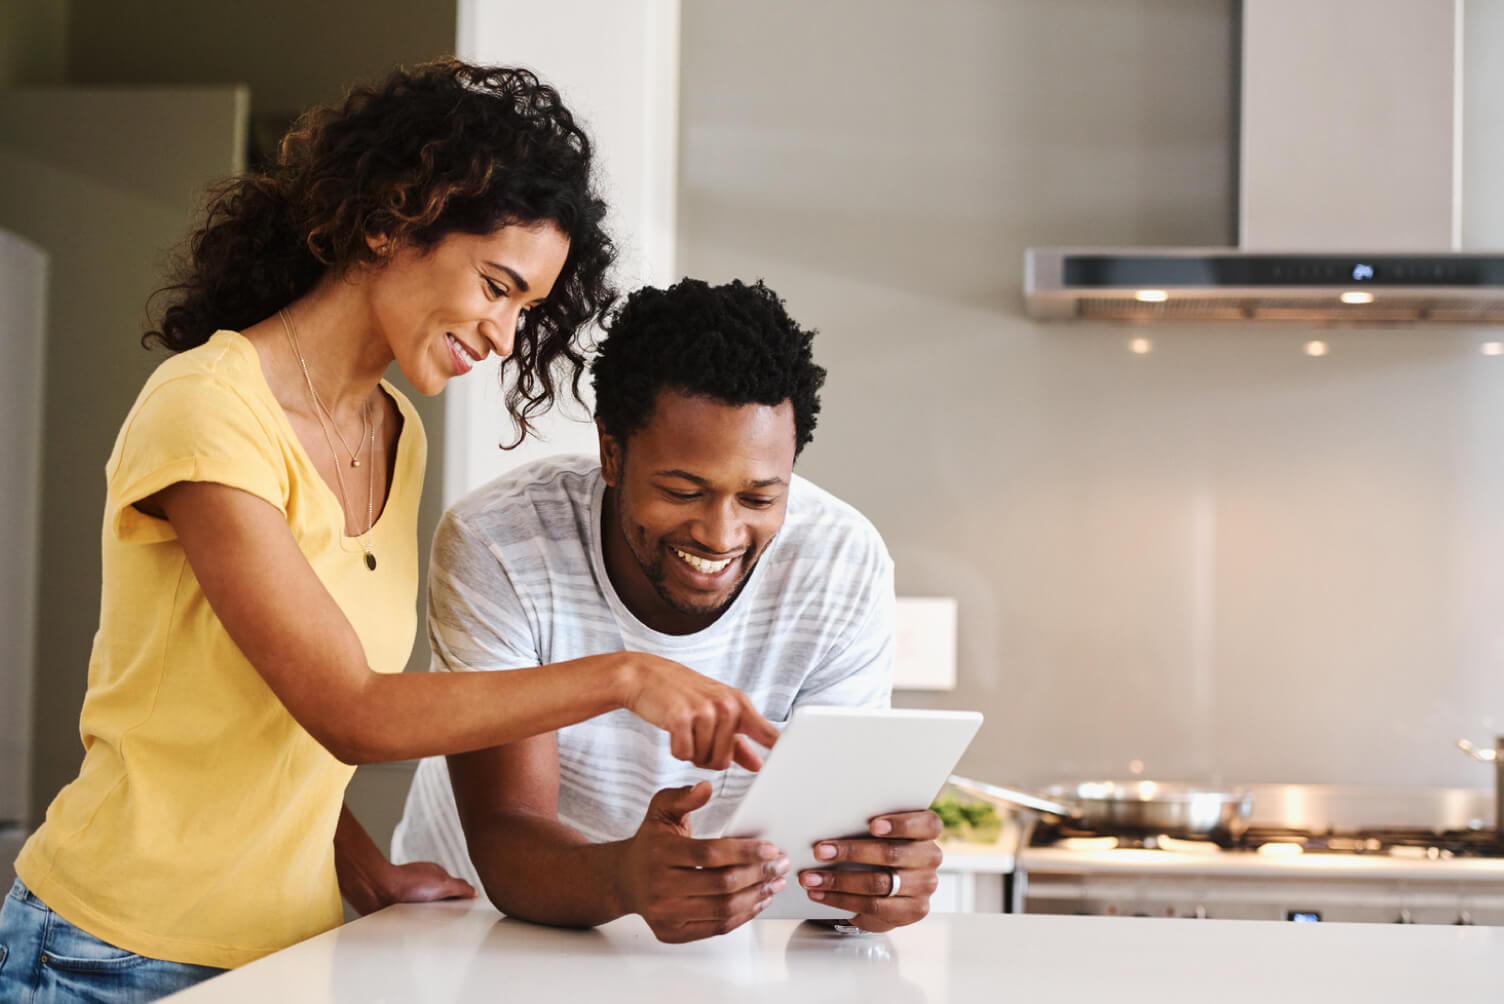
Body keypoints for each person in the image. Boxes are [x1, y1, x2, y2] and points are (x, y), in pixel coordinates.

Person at [0, 61, 776, 1003]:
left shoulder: (392, 433)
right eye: (496, 285)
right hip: (110, 952)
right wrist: (623, 675)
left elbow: (280, 719)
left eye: (526, 310)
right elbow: (352, 711)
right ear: (393, 217)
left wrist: (367, 876)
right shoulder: (209, 409)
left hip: (291, 950)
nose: (502, 335)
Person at [392, 278, 943, 944]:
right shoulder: (501, 541)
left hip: (701, 931)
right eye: (684, 491)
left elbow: (826, 850)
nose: (720, 533)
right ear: (612, 453)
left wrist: (873, 880)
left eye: (759, 499)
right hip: (473, 928)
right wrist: (625, 876)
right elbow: (510, 839)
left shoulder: (841, 563)